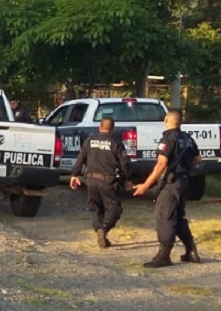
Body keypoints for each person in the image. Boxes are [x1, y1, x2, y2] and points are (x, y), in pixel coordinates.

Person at [132, 109, 203, 268]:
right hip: (184, 182)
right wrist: (183, 165)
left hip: (171, 183)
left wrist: (146, 185)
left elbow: (161, 164)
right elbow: (198, 159)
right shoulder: (188, 138)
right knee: (178, 217)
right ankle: (191, 251)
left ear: (166, 120)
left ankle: (164, 256)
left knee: (165, 217)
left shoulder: (168, 138)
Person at [69, 117, 132, 248]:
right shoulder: (116, 142)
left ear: (100, 126)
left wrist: (74, 175)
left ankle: (99, 231)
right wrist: (127, 179)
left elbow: (81, 158)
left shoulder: (90, 140)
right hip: (108, 181)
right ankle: (104, 229)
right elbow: (125, 163)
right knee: (114, 208)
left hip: (91, 180)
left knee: (96, 208)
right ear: (112, 129)